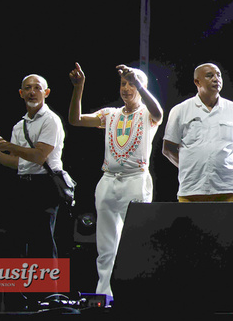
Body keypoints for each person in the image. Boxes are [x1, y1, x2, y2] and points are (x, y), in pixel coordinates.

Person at [68, 63, 163, 297]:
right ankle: (105, 293)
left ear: (142, 87)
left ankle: (135, 294)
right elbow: (76, 120)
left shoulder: (146, 114)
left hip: (136, 181)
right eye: (124, 83)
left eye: (132, 83)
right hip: (108, 181)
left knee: (136, 240)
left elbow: (159, 113)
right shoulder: (110, 114)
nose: (127, 88)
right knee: (106, 245)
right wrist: (79, 88)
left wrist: (138, 81)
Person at [0, 74, 65, 259]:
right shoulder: (19, 126)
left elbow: (39, 156)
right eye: (27, 88)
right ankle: (21, 288)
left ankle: (49, 288)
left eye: (37, 88)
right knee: (17, 239)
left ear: (46, 92)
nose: (32, 92)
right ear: (21, 93)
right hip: (22, 185)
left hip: (45, 185)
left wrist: (6, 145)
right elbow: (17, 162)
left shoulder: (50, 120)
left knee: (42, 241)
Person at [162, 63, 233, 202]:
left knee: (231, 225)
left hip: (229, 189)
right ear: (197, 82)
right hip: (192, 190)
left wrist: (226, 165)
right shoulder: (180, 110)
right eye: (210, 76)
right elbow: (168, 148)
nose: (216, 79)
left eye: (219, 75)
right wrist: (191, 167)